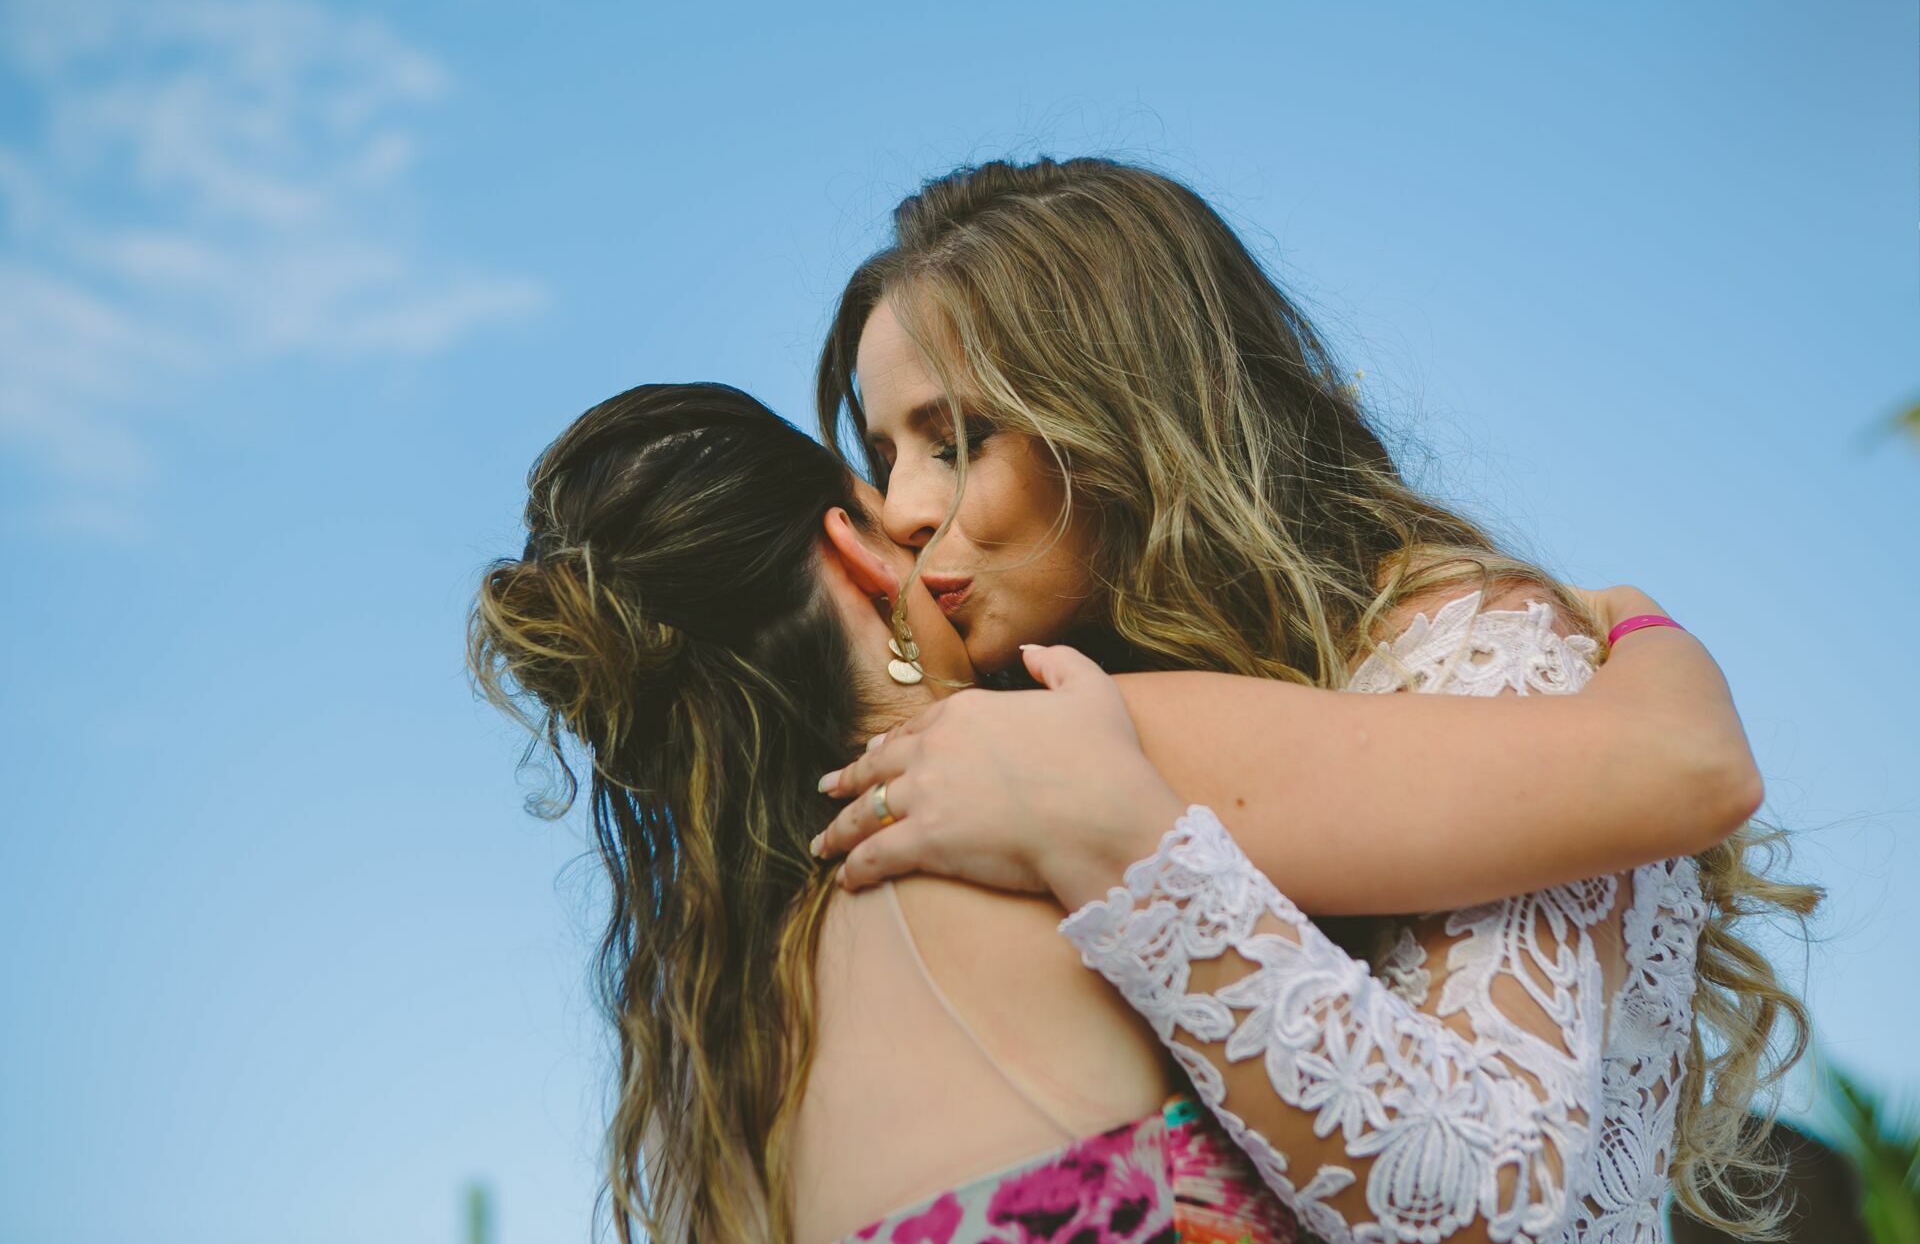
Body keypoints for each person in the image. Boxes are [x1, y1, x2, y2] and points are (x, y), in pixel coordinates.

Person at [467, 378, 1796, 1241]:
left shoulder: (726, 1052)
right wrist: (1640, 622)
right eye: (890, 481)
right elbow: (1675, 766)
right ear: (850, 551)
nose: (925, 516)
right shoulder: (1062, 752)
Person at [803, 156, 1819, 1243]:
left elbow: (1494, 1202)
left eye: (959, 440)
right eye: (883, 451)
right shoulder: (1080, 719)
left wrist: (1119, 848)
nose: (902, 504)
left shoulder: (1469, 649)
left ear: (1123, 410)